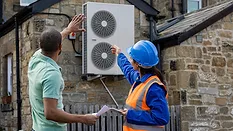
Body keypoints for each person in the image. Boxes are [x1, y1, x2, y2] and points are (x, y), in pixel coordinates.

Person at [28, 14, 98, 131]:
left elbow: (51, 41)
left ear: (41, 46)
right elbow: (50, 113)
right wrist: (83, 119)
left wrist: (68, 30)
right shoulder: (51, 74)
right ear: (60, 47)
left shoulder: (35, 59)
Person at [111, 40, 169, 131]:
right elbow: (128, 70)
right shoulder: (139, 80)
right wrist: (119, 54)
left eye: (131, 58)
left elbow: (161, 118)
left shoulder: (154, 88)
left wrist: (130, 114)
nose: (130, 61)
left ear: (137, 64)